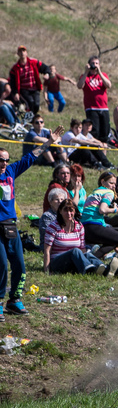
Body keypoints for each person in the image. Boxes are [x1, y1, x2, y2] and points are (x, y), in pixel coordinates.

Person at [0, 130, 61, 316]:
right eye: (0, 160)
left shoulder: (10, 171)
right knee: (1, 265)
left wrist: (48, 142)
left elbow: (30, 157)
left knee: (19, 264)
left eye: (6, 160)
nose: (4, 163)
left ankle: (14, 300)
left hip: (10, 226)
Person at [42, 200, 118, 276]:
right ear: (60, 211)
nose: (69, 213)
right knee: (75, 251)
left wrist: (86, 257)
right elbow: (47, 250)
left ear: (75, 211)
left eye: (71, 210)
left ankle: (105, 269)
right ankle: (90, 270)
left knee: (87, 254)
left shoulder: (79, 226)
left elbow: (82, 249)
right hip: (57, 263)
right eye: (65, 210)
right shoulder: (53, 227)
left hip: (72, 263)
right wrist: (47, 270)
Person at [81, 171, 118, 258]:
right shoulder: (108, 192)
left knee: (113, 241)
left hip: (84, 229)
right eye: (111, 183)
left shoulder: (94, 192)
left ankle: (91, 260)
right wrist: (114, 210)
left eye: (115, 184)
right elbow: (102, 210)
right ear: (103, 182)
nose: (113, 186)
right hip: (95, 225)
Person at [76, 56, 112, 145]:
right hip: (91, 108)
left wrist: (99, 72)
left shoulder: (103, 75)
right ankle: (95, 149)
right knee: (95, 131)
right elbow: (79, 86)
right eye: (93, 63)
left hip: (103, 107)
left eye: (96, 63)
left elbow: (108, 85)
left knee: (105, 132)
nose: (94, 65)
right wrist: (86, 72)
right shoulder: (85, 76)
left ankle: (103, 151)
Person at [9, 45, 45, 114]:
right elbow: (12, 82)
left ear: (26, 53)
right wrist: (15, 92)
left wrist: (47, 73)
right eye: (20, 51)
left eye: (23, 51)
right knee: (30, 103)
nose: (22, 53)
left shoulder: (33, 62)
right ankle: (30, 117)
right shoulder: (15, 68)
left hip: (35, 88)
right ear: (18, 54)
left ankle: (32, 117)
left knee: (36, 105)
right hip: (24, 90)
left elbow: (44, 68)